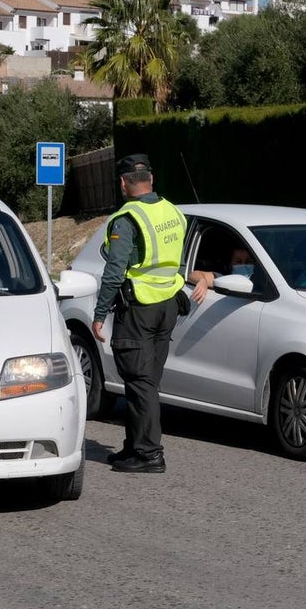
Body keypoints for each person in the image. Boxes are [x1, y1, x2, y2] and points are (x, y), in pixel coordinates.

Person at [92, 153, 187, 474]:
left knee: (139, 380)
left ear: (122, 182)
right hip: (168, 306)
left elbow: (115, 270)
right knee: (147, 380)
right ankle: (133, 446)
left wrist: (100, 312)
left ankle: (149, 454)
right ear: (152, 179)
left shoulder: (127, 218)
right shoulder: (173, 211)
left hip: (140, 308)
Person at [188, 246, 253, 304]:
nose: (243, 265)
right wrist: (203, 281)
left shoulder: (261, 280)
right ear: (230, 264)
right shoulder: (222, 278)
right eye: (238, 261)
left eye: (248, 262)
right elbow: (193, 274)